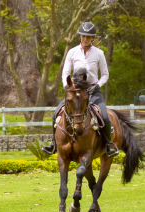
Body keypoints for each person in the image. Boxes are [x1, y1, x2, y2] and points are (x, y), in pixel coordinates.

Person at [42, 22, 118, 157]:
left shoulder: (99, 54)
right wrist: (68, 86)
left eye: (88, 37)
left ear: (93, 38)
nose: (85, 39)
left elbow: (105, 75)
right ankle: (53, 143)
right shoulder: (72, 52)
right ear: (80, 36)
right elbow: (65, 73)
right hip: (75, 91)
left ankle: (108, 145)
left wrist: (97, 85)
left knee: (105, 117)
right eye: (83, 36)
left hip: (93, 91)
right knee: (55, 115)